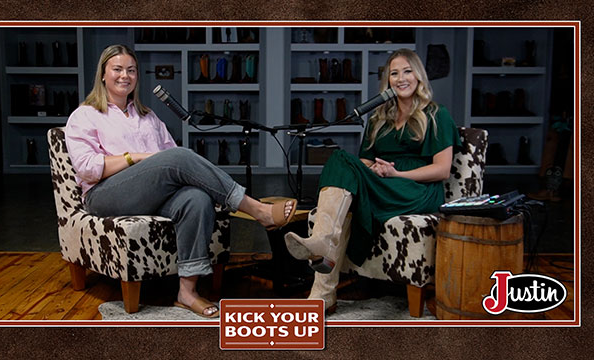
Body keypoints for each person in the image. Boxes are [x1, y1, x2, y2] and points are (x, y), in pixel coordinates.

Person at [64, 45, 297, 318]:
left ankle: (187, 291)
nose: (124, 75)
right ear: (103, 75)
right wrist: (135, 158)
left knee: (195, 199)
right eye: (117, 69)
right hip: (104, 195)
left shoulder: (148, 116)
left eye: (131, 70)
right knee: (178, 157)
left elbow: (169, 163)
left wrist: (157, 164)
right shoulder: (85, 115)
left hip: (150, 193)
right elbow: (87, 168)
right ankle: (257, 210)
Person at [284, 48, 461, 313]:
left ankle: (322, 259)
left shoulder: (437, 114)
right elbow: (364, 162)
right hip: (383, 184)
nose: (401, 78)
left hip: (416, 189)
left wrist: (397, 173)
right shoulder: (380, 118)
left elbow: (442, 170)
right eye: (394, 73)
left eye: (407, 71)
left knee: (345, 179)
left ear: (419, 76)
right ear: (387, 81)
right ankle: (322, 290)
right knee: (341, 161)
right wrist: (374, 170)